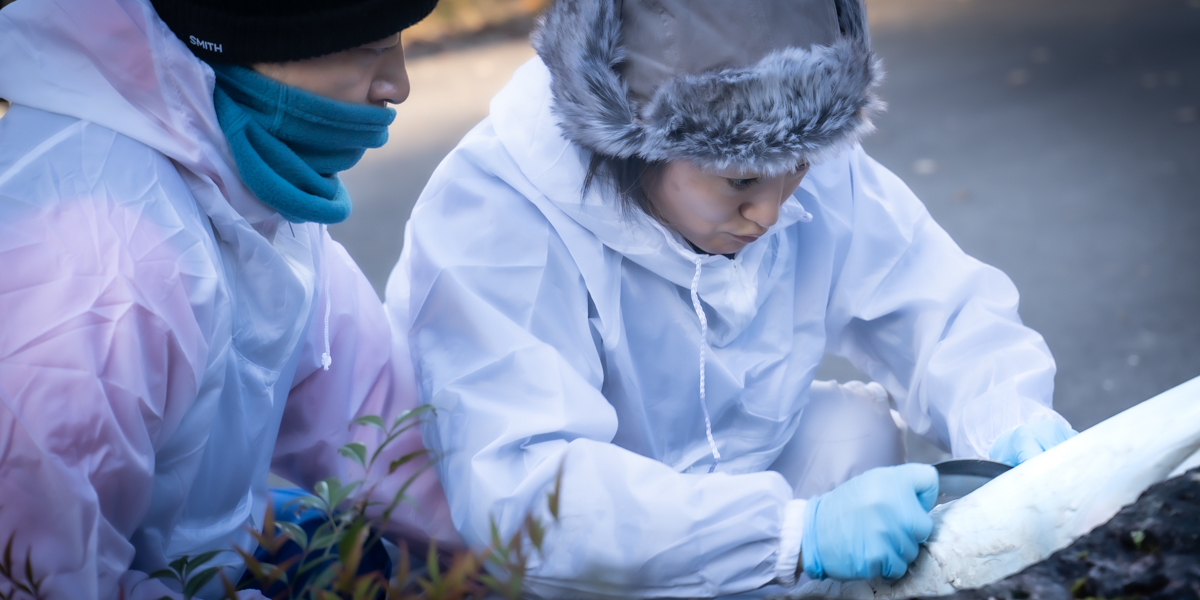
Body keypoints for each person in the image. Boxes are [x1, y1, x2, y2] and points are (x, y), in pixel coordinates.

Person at [386, 0, 1078, 597]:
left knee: (853, 436)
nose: (769, 213)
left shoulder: (785, 148)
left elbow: (933, 303)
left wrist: (1006, 420)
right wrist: (791, 535)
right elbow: (529, 495)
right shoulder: (497, 214)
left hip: (730, 490)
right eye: (740, 182)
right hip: (547, 569)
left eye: (797, 167)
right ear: (631, 141)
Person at [0, 0, 461, 598]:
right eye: (371, 48)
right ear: (257, 46)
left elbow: (376, 426)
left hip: (205, 551)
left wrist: (533, 553)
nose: (398, 84)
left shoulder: (249, 180)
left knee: (359, 553)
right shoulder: (105, 271)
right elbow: (43, 577)